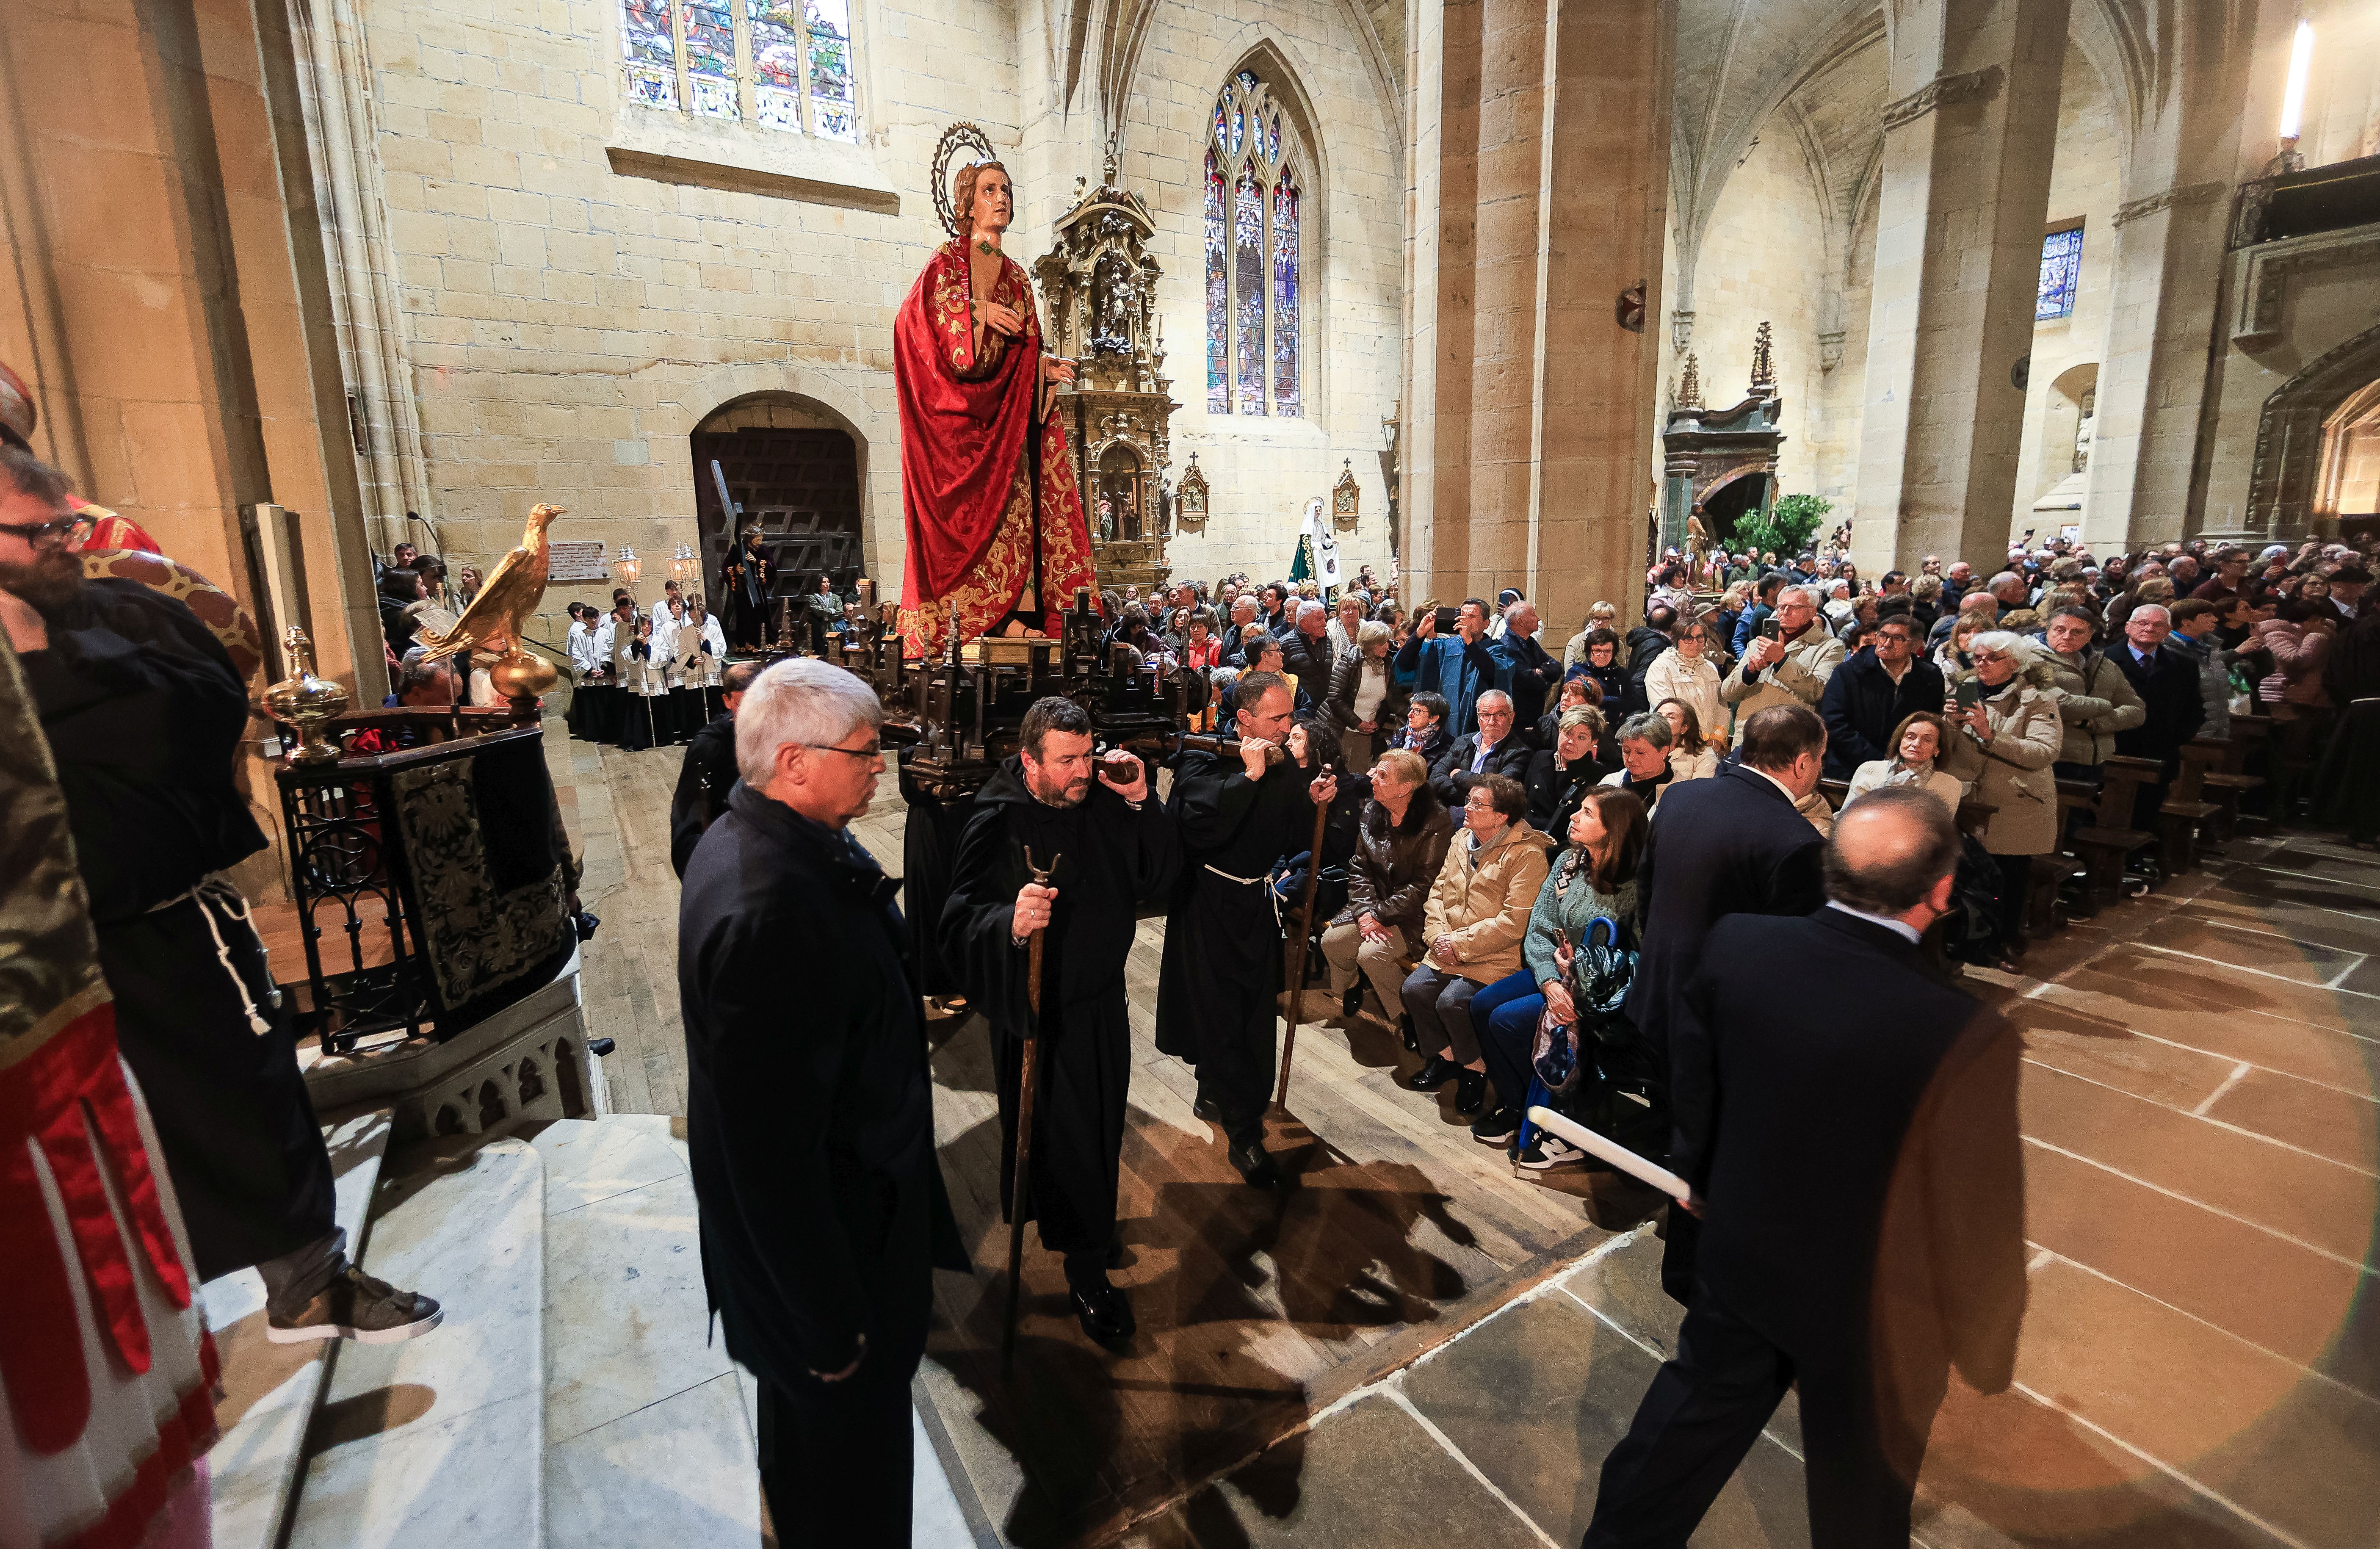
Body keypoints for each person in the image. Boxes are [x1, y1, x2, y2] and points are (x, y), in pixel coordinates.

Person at [0, 445, 443, 1346]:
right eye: (37, 531)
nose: (63, 544)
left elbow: (200, 707)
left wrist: (52, 686)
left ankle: (310, 1279)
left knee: (248, 1093)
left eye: (67, 526)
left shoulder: (113, 610)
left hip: (167, 920)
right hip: (44, 964)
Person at [1582, 789, 2026, 1549]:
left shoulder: (1741, 945)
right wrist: (1987, 1349)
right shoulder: (1964, 1032)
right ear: (1942, 891)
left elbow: (1697, 1074)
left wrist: (1699, 1173)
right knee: (1860, 1503)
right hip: (1878, 1312)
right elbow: (1978, 1208)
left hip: (1745, 1254)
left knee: (1670, 1452)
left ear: (1831, 868)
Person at [676, 658, 967, 1546]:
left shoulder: (762, 833)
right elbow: (767, 1157)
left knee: (808, 1468)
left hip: (830, 1247)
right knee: (854, 1495)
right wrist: (828, 1322)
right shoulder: (772, 909)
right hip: (832, 1264)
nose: (880, 765)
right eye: (865, 750)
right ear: (795, 759)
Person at [939, 698, 1179, 1350]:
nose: (1082, 769)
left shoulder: (1097, 800)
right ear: (1030, 762)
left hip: (1101, 1003)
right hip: (1035, 1011)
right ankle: (1085, 1270)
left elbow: (1154, 876)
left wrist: (1139, 801)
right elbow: (957, 921)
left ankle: (1078, 1224)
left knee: (1095, 1133)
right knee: (1064, 1135)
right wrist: (1009, 924)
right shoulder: (998, 817)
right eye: (1067, 760)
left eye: (1088, 753)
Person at [1627, 703, 1830, 1296]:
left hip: (1657, 998)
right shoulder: (1794, 840)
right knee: (1714, 1151)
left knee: (1676, 1128)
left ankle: (1677, 1227)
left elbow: (1646, 891)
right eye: (1818, 759)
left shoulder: (1683, 798)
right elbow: (1788, 961)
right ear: (1800, 762)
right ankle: (1694, 1276)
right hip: (1721, 1030)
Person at [893, 157, 1095, 654]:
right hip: (955, 431)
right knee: (959, 527)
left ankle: (1010, 616)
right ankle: (959, 619)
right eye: (988, 190)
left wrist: (1040, 369)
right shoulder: (945, 263)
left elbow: (1024, 350)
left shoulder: (1019, 279)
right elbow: (912, 328)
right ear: (967, 203)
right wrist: (974, 311)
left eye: (1005, 189)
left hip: (1006, 429)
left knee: (1015, 516)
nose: (1000, 198)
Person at [1155, 671, 1332, 1188]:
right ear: (1244, 719)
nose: (1287, 726)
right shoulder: (1202, 757)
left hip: (1256, 901)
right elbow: (1197, 825)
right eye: (1277, 717)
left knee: (1252, 1011)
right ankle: (1244, 1134)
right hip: (1208, 901)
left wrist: (1315, 798)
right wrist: (1248, 777)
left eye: (1290, 715)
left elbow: (1295, 831)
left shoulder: (1282, 763)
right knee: (1217, 1011)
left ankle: (1216, 1089)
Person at [1462, 786, 1648, 1162]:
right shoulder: (1568, 863)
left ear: (1614, 829)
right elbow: (1539, 929)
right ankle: (1519, 1106)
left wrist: (1581, 969)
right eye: (1577, 809)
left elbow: (1641, 957)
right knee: (1481, 1006)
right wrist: (1550, 980)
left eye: (1587, 813)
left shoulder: (1636, 887)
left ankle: (1559, 1111)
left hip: (1600, 991)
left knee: (1507, 1020)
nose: (1574, 817)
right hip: (1557, 971)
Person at [1400, 773, 1552, 1117]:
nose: (1466, 808)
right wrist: (1438, 936)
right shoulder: (1461, 840)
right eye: (1469, 801)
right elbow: (1437, 893)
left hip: (1496, 955)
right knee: (1415, 990)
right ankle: (1448, 1058)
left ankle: (1475, 1070)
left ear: (1501, 816)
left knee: (1453, 1002)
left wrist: (1458, 943)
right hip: (1448, 946)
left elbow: (1515, 921)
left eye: (1476, 804)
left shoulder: (1528, 855)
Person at [1939, 632, 2063, 973]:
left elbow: (2044, 752)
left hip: (2014, 801)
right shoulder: (1961, 691)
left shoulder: (2037, 700)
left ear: (2014, 663)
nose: (1982, 664)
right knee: (1965, 874)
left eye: (1992, 658)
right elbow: (1946, 750)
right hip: (1968, 800)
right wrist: (1948, 726)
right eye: (1977, 658)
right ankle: (1966, 938)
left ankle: (2005, 940)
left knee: (2008, 877)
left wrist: (1991, 735)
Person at [1319, 747, 1455, 1035]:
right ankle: (1355, 983)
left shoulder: (1435, 821)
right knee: (1332, 942)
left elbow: (1424, 885)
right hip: (1372, 902)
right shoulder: (1372, 809)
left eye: (1383, 776)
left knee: (1372, 956)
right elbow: (1359, 868)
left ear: (1405, 788)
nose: (1372, 779)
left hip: (1412, 913)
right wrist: (1366, 912)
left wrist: (1379, 914)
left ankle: (1406, 1015)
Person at [1818, 614, 1944, 780]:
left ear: (1915, 645)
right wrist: (1881, 761)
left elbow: (1930, 722)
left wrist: (1901, 761)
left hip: (1907, 770)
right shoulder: (1849, 672)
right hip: (1850, 768)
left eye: (1897, 638)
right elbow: (1834, 723)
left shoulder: (1930, 676)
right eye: (1883, 635)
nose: (1886, 643)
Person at [670, 659, 761, 878]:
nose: (752, 716)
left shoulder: (776, 737)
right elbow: (687, 822)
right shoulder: (710, 747)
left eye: (758, 706)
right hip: (727, 861)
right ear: (727, 701)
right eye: (743, 706)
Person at [1719, 586, 1843, 744]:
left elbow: (1819, 693)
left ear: (1812, 611)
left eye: (1795, 607)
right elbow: (1727, 693)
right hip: (1748, 737)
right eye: (1781, 607)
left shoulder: (1830, 647)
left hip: (1790, 741)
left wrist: (1782, 660)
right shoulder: (1757, 644)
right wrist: (1750, 672)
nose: (1785, 612)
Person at [2110, 603, 2208, 803]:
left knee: (2150, 813)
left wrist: (2175, 738)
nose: (2149, 629)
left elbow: (2194, 709)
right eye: (2143, 623)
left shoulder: (2184, 665)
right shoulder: (2103, 660)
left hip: (2161, 753)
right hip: (2114, 751)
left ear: (2168, 631)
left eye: (2158, 625)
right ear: (2128, 627)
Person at [2038, 606, 2144, 786]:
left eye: (2077, 632)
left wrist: (2094, 723)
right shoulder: (2031, 660)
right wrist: (2105, 706)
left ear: (2090, 636)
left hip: (2099, 761)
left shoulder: (2104, 665)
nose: (2067, 637)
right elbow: (2059, 704)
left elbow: (2137, 710)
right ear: (2048, 629)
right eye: (2060, 630)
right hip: (2053, 759)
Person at [1394, 597, 1500, 738]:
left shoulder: (1496, 649)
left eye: (1472, 616)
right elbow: (1404, 663)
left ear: (1486, 624)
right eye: (1463, 615)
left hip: (1475, 725)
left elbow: (1493, 673)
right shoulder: (1443, 646)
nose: (1465, 620)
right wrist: (1419, 634)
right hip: (1441, 726)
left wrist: (1469, 643)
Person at [1426, 688, 1531, 806]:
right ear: (1478, 717)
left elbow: (1499, 789)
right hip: (1451, 813)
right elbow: (1436, 778)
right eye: (1485, 715)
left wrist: (1458, 775)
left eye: (1500, 715)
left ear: (1511, 717)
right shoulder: (1462, 742)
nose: (1492, 722)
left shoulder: (1521, 753)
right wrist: (1469, 800)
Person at [1326, 618, 1405, 772]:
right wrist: (1357, 724)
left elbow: (1388, 700)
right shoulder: (1349, 662)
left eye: (1387, 642)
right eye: (1382, 643)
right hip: (1343, 729)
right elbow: (1334, 698)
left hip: (1368, 733)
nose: (1387, 647)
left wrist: (1378, 722)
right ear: (1370, 643)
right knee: (1340, 774)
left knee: (1361, 775)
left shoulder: (1388, 664)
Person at [1847, 711, 1964, 813]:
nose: (1916, 744)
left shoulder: (1950, 785)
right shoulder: (1869, 769)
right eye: (1910, 737)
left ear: (1937, 749)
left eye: (1927, 740)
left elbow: (1939, 832)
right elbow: (1846, 816)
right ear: (1900, 740)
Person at [1526, 705, 1611, 837]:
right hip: (1527, 838)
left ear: (1593, 742)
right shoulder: (1540, 758)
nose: (1571, 742)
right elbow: (1523, 802)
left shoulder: (1600, 775)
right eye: (1568, 733)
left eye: (1581, 738)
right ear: (1560, 731)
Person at [1642, 615, 1721, 744]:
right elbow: (1666, 711)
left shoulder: (1710, 668)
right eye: (1689, 639)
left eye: (1700, 638)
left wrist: (1717, 739)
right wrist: (1694, 738)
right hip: (1678, 746)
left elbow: (1721, 706)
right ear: (1677, 640)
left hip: (1709, 747)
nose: (1695, 644)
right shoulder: (1661, 667)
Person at [1488, 598, 1559, 729]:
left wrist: (1540, 671)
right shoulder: (1507, 647)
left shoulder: (1531, 642)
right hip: (1519, 721)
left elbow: (1557, 667)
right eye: (1533, 614)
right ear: (1521, 622)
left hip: (1533, 716)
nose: (1538, 619)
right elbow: (1533, 682)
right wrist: (1546, 679)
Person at [1599, 711, 1679, 813]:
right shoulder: (1610, 783)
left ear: (1663, 751)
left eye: (1640, 753)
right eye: (1626, 751)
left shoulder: (1680, 792)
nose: (1631, 759)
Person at [719, 528, 774, 651]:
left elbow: (772, 566)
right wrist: (736, 570)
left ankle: (761, 642)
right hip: (742, 591)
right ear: (750, 539)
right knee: (744, 616)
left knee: (761, 614)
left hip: (758, 590)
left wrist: (758, 562)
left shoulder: (763, 550)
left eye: (761, 539)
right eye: (758, 539)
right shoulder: (737, 550)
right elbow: (725, 568)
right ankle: (745, 643)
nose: (760, 542)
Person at [1655, 699, 1719, 782]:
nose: (1662, 721)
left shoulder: (1704, 756)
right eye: (1659, 716)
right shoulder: (1644, 749)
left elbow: (1699, 792)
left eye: (1670, 717)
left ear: (1684, 728)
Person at [1388, 689, 1454, 768]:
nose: (1409, 715)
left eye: (1417, 711)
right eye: (1411, 709)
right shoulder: (1402, 732)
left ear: (1433, 719)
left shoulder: (1446, 745)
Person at [1280, 598, 1337, 689]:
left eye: (1324, 619)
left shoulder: (1327, 642)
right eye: (1319, 619)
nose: (1324, 624)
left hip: (1327, 702)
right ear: (1303, 623)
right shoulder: (1285, 645)